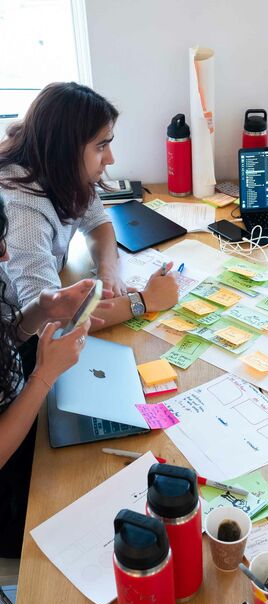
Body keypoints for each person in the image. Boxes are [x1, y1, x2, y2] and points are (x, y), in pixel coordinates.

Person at [0, 82, 178, 330]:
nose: (110, 158)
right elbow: (49, 322)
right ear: (66, 149)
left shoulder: (59, 168)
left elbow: (97, 222)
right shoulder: (23, 213)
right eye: (101, 146)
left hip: (57, 284)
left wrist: (108, 270)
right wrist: (144, 301)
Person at [0, 194, 102, 557]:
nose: (6, 256)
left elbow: (5, 334)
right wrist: (44, 376)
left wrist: (41, 309)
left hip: (23, 412)